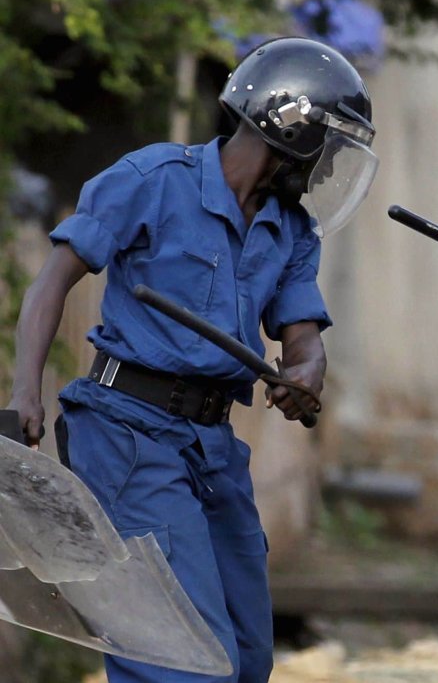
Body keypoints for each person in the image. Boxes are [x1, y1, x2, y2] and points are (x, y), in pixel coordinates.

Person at [5, 36, 379, 683]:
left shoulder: (291, 230)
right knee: (180, 660)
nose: (326, 165)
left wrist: (304, 375)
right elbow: (51, 281)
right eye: (328, 144)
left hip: (211, 446)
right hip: (125, 434)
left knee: (248, 658)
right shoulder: (151, 180)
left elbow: (303, 337)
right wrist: (24, 393)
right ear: (285, 125)